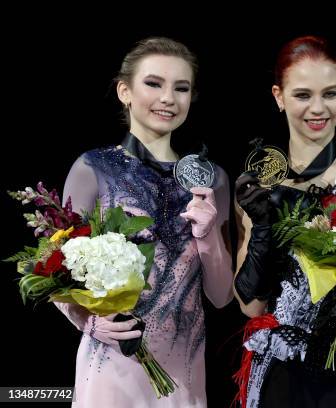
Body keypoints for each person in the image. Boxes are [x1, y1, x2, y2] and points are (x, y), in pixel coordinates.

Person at [55, 37, 234, 407]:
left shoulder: (211, 178)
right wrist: (87, 322)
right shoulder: (93, 169)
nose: (168, 98)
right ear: (125, 91)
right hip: (110, 366)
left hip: (183, 371)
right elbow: (54, 269)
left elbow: (220, 296)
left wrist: (207, 236)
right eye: (154, 83)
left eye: (181, 88)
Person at [233, 35, 336, 408]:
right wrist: (262, 224)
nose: (318, 109)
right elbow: (250, 306)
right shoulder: (259, 186)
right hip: (283, 367)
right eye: (303, 95)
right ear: (278, 96)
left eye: (330, 94)